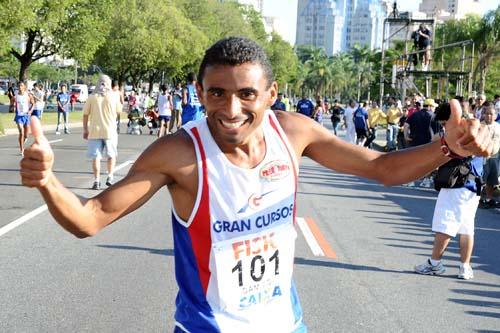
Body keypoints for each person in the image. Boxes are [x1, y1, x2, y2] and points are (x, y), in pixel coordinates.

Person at [20, 36, 495, 332]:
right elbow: (91, 219)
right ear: (199, 91)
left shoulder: (293, 133)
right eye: (217, 93)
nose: (231, 110)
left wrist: (448, 149)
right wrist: (47, 182)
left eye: (247, 94)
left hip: (285, 323)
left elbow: (381, 168)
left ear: (270, 94)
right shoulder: (179, 155)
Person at [414, 155, 484, 280]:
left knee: (445, 223)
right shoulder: (486, 136)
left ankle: (435, 263)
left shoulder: (467, 135)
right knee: (466, 228)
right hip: (473, 183)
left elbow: (444, 144)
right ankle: (465, 266)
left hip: (458, 181)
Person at [82, 74, 121, 190]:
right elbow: (119, 111)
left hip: (95, 131)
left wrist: (85, 129)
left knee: (96, 157)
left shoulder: (92, 97)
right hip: (110, 131)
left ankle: (97, 180)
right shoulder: (114, 96)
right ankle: (110, 176)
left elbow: (85, 114)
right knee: (111, 155)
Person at [478, 103, 500, 209]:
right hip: (482, 157)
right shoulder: (480, 126)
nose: (489, 116)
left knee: (492, 180)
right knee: (482, 179)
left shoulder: (498, 126)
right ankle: (479, 199)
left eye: (491, 114)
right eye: (487, 114)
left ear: (496, 116)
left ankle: (490, 198)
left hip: (495, 158)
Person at [14, 81, 34, 155]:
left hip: (26, 115)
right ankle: (22, 150)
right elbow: (13, 102)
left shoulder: (28, 95)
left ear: (24, 87)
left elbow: (33, 104)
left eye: (21, 86)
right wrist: (13, 107)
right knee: (21, 132)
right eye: (19, 86)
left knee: (26, 134)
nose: (20, 87)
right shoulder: (16, 96)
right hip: (19, 116)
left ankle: (25, 138)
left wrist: (30, 110)